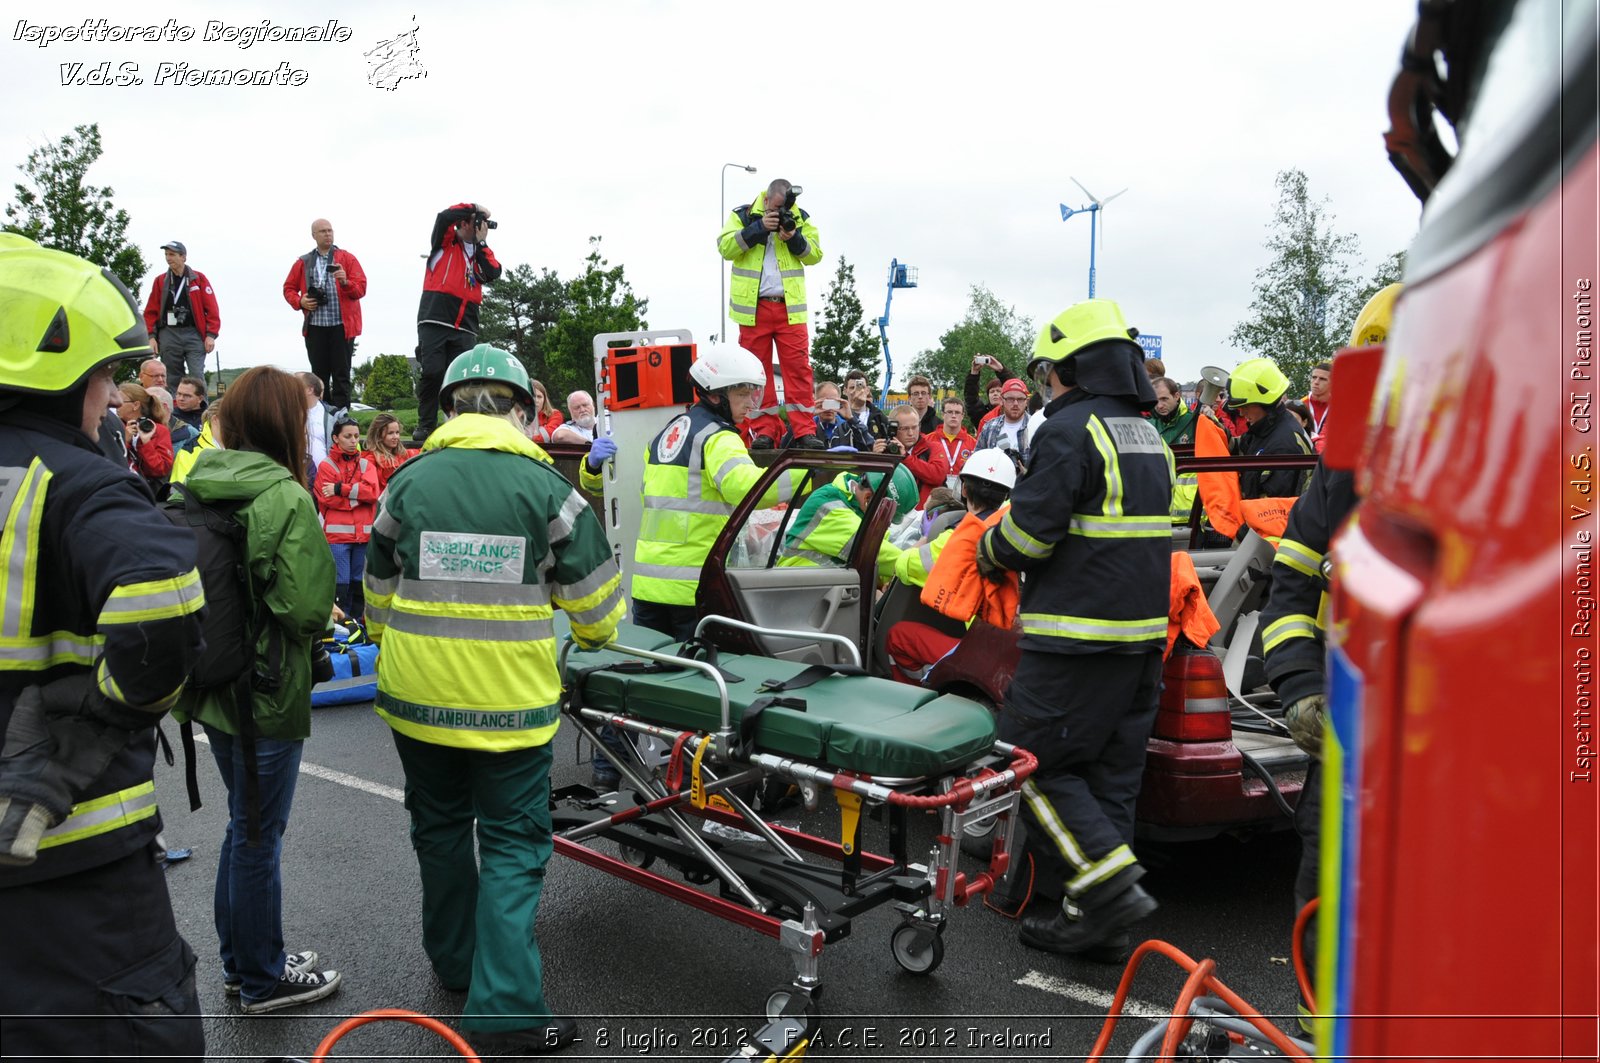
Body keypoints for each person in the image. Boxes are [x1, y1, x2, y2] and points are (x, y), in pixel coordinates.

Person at [364, 344, 623, 1055]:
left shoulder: (405, 484)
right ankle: (504, 1006)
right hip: (510, 710)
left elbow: (377, 602)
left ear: (449, 409)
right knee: (512, 846)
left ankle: (456, 965)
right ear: (524, 410)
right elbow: (599, 615)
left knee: (440, 831)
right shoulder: (548, 491)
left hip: (415, 702)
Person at [0, 236, 207, 1058]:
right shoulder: (73, 481)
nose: (109, 395)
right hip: (72, 874)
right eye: (104, 376)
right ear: (63, 374)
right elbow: (162, 613)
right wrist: (88, 724)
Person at [977, 298, 1174, 956]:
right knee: (1109, 781)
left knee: (1024, 762)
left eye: (1048, 373)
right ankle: (1100, 926)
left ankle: (1108, 889)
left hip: (1075, 642)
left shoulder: (1069, 431)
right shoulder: (1150, 436)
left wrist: (985, 547)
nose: (1046, 387)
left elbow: (1027, 539)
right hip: (1141, 643)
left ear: (1076, 368)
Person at [170, 365, 341, 1014]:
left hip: (212, 684)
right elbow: (303, 608)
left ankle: (245, 962)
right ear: (286, 425)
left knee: (244, 827)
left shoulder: (200, 482)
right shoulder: (285, 497)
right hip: (266, 689)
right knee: (258, 835)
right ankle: (264, 977)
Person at [1261, 283, 1397, 1036]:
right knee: (1325, 913)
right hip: (1347, 748)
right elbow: (1287, 596)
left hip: (1466, 763)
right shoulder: (1338, 477)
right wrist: (1302, 693)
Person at [596, 343, 805, 644]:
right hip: (690, 587)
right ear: (715, 394)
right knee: (692, 682)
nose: (750, 403)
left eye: (752, 393)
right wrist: (808, 473)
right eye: (742, 394)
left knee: (651, 675)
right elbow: (747, 489)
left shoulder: (666, 434)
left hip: (646, 586)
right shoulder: (719, 437)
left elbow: (651, 496)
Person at [885, 449, 1016, 683]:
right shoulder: (1017, 528)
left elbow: (904, 565)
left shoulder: (960, 540)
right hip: (1016, 645)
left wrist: (922, 543)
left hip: (986, 651)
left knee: (897, 637)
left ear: (963, 489)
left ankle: (921, 695)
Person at [719, 178, 825, 448]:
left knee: (798, 371)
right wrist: (757, 228)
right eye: (775, 209)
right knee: (757, 374)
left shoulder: (800, 218)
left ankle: (804, 432)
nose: (780, 214)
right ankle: (764, 431)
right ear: (766, 200)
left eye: (784, 208)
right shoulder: (742, 215)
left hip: (790, 309)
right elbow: (725, 247)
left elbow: (815, 255)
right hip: (754, 309)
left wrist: (794, 237)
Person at [415, 203, 502, 442]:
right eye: (474, 222)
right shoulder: (444, 243)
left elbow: (494, 272)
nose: (478, 228)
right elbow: (443, 216)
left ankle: (458, 424)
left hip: (465, 324)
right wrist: (473, 207)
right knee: (433, 372)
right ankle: (426, 424)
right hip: (435, 317)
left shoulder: (480, 252)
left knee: (461, 378)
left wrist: (481, 242)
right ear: (463, 223)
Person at [779, 464, 916, 583]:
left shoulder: (861, 511)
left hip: (823, 591)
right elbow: (875, 552)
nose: (885, 524)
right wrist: (924, 570)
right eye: (886, 518)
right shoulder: (829, 506)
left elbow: (881, 566)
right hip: (795, 591)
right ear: (868, 498)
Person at [284, 218, 368, 411]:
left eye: (330, 230)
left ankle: (343, 417)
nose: (327, 234)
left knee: (342, 374)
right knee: (318, 376)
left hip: (341, 326)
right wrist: (300, 301)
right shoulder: (304, 262)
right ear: (314, 236)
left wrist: (345, 281)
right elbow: (288, 288)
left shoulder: (347, 258)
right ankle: (321, 414)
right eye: (322, 231)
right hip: (315, 326)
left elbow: (361, 289)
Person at [315, 415, 379, 621]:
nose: (353, 440)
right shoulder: (326, 466)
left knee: (358, 584)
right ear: (335, 438)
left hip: (363, 537)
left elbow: (372, 493)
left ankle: (357, 625)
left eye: (356, 436)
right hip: (339, 538)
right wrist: (357, 498)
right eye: (348, 436)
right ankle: (342, 625)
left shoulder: (366, 464)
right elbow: (326, 499)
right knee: (340, 584)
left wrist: (340, 489)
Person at [1226, 356, 1314, 500]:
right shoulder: (1266, 429)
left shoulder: (1284, 446)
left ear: (1266, 403)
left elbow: (1274, 512)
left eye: (1245, 406)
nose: (1241, 412)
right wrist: (1218, 431)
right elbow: (1242, 447)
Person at [143, 239, 221, 384]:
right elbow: (150, 311)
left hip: (193, 333)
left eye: (172, 254)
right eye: (166, 254)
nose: (168, 258)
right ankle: (173, 405)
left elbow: (212, 308)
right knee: (171, 376)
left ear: (183, 257)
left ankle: (201, 406)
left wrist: (211, 335)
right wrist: (151, 336)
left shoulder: (198, 279)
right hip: (169, 333)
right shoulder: (160, 281)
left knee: (196, 375)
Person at [888, 403, 949, 508]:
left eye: (914, 427)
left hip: (926, 514)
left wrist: (906, 458)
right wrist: (877, 456)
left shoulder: (934, 446)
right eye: (905, 428)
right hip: (894, 514)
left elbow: (937, 476)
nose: (911, 433)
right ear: (893, 429)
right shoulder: (886, 450)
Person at [117, 381, 175, 490]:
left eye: (121, 401)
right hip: (120, 486)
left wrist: (146, 443)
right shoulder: (116, 426)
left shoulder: (158, 430)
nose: (116, 405)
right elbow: (110, 460)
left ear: (136, 405)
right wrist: (125, 440)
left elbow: (161, 469)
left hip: (147, 490)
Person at [786, 381, 870, 450]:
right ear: (815, 402)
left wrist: (851, 419)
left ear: (840, 402)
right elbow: (784, 447)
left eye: (833, 403)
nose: (829, 409)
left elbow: (869, 447)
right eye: (825, 403)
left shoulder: (848, 428)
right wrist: (806, 417)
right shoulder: (807, 428)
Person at [976, 377, 1033, 464]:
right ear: (1002, 401)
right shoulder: (989, 427)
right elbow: (977, 459)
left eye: (1020, 399)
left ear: (1026, 402)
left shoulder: (1036, 426)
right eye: (1010, 399)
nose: (1015, 404)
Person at [933, 395, 978, 491]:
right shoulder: (929, 440)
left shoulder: (974, 444)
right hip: (935, 492)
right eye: (949, 412)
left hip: (962, 493)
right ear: (942, 414)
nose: (953, 416)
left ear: (962, 416)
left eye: (957, 412)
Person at [365, 412, 417, 492]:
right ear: (378, 435)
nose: (395, 437)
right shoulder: (371, 460)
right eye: (390, 433)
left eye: (397, 432)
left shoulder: (405, 454)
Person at [298, 371, 335, 477]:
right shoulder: (282, 414)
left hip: (326, 484)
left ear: (310, 390)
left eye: (295, 383)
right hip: (293, 480)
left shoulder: (334, 416)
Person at [965, 353, 1016, 428]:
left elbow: (1015, 390)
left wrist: (1001, 370)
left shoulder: (1014, 411)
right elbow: (971, 398)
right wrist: (974, 373)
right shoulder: (981, 415)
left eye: (998, 391)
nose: (995, 394)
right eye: (991, 391)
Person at [843, 368, 892, 446]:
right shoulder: (840, 415)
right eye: (852, 387)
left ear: (867, 390)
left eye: (860, 387)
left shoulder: (879, 417)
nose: (856, 391)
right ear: (845, 391)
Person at [148, 384, 199, 453]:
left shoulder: (190, 434)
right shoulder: (137, 430)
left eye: (148, 405)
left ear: (164, 407)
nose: (141, 409)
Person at [1300, 362, 1332, 450]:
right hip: (1303, 457)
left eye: (1322, 379)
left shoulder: (1340, 407)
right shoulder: (1300, 405)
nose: (1316, 382)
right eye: (1314, 377)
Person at [526, 379, 564, 443]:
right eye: (532, 396)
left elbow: (546, 437)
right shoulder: (517, 413)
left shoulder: (554, 414)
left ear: (544, 399)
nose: (536, 400)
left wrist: (523, 435)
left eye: (539, 397)